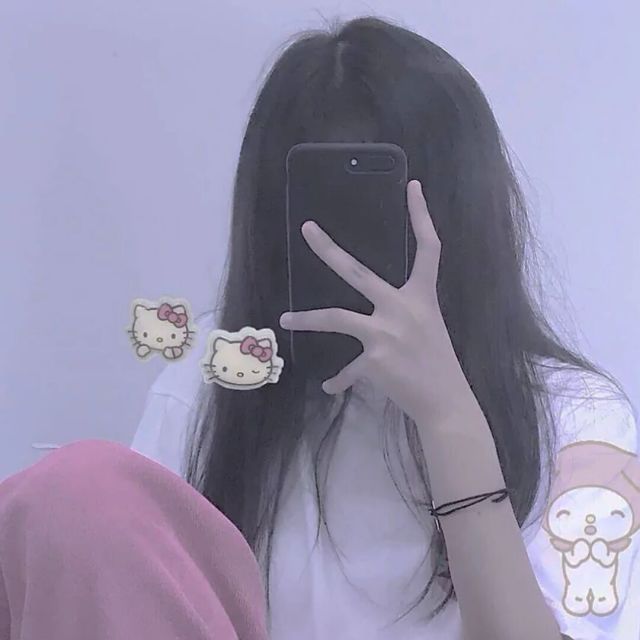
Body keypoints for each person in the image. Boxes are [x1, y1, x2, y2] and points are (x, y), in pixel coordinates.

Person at [133, 15, 640, 640]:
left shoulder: (579, 417)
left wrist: (449, 417)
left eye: (374, 211)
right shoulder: (206, 388)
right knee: (76, 488)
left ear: (462, 213)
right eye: (325, 207)